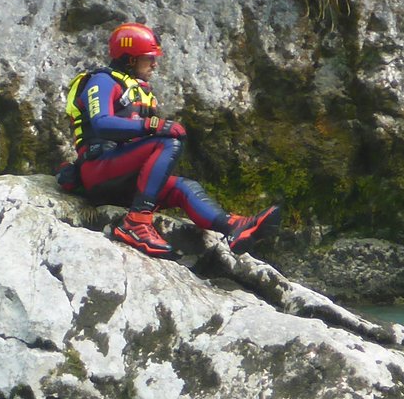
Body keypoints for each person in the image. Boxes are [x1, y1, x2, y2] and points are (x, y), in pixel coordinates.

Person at [59, 23, 281, 260]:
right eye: (149, 58)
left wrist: (152, 128)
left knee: (184, 187)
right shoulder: (102, 81)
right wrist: (153, 125)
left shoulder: (139, 89)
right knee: (167, 140)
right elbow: (102, 122)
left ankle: (234, 226)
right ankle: (136, 222)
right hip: (99, 169)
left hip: (124, 179)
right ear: (130, 59)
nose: (154, 64)